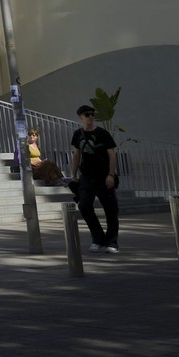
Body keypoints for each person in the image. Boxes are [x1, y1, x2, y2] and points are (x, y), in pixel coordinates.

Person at [69, 103, 119, 252]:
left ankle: (112, 242)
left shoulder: (103, 133)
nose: (90, 117)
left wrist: (110, 174)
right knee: (84, 205)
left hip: (104, 176)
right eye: (87, 114)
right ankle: (97, 238)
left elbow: (112, 154)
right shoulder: (78, 134)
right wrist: (73, 175)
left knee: (110, 210)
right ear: (80, 117)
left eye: (92, 114)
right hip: (86, 177)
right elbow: (76, 154)